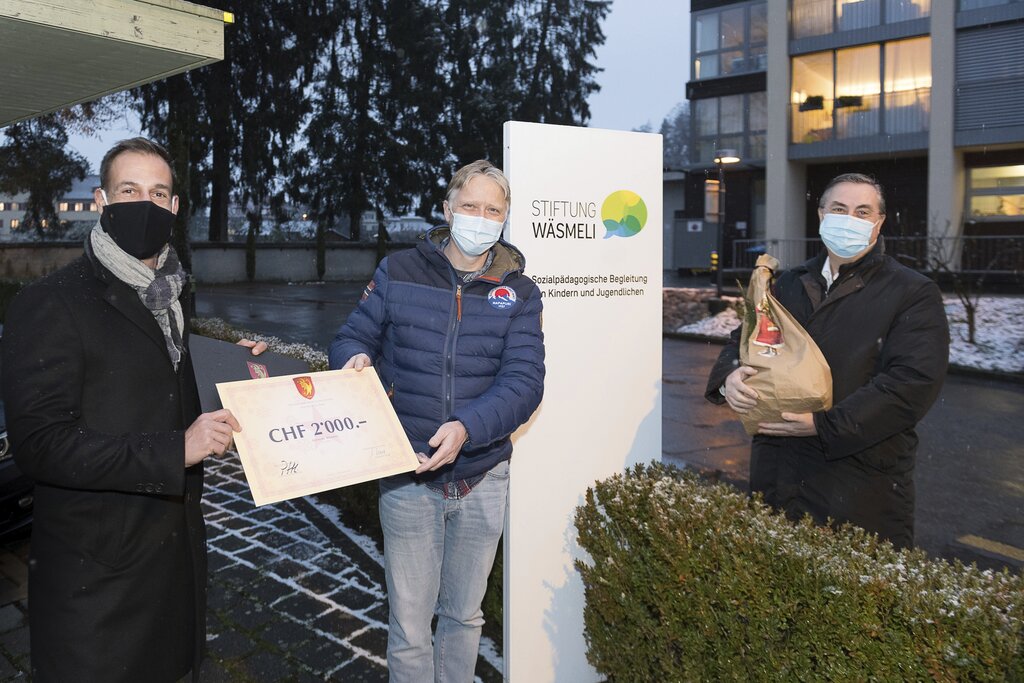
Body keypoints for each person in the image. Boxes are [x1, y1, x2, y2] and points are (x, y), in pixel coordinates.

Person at [1, 137, 265, 682]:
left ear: (173, 208)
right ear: (102, 199)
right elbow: (40, 445)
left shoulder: (171, 292)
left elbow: (157, 387)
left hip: (177, 569)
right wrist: (177, 449)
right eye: (129, 189)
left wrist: (229, 373)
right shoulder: (50, 302)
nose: (145, 202)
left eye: (159, 192)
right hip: (96, 588)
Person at [329, 160, 545, 682]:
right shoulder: (398, 271)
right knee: (408, 625)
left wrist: (468, 427)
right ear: (448, 209)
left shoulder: (519, 291)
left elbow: (525, 382)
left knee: (465, 617)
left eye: (493, 209)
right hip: (408, 471)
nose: (480, 217)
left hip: (483, 474)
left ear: (506, 218)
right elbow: (351, 336)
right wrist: (353, 361)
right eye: (470, 205)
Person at [705, 173, 949, 549]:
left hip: (858, 486)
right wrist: (729, 378)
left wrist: (825, 424)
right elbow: (743, 340)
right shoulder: (786, 285)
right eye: (839, 209)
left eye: (862, 211)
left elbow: (910, 384)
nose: (850, 219)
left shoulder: (911, 292)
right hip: (777, 477)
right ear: (821, 215)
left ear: (879, 222)